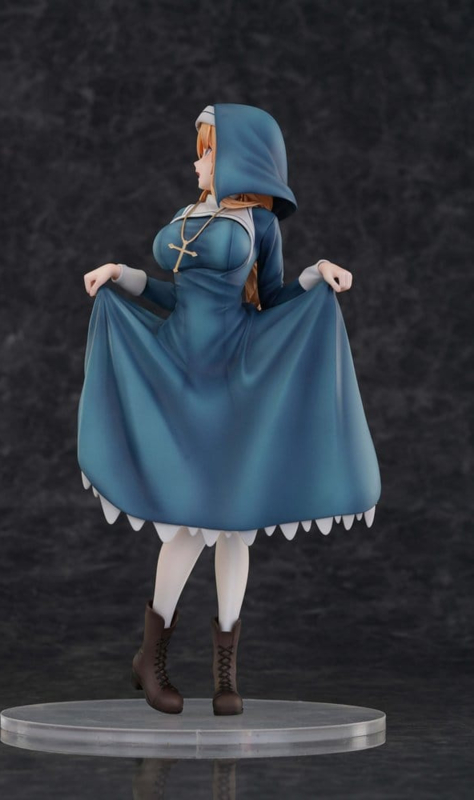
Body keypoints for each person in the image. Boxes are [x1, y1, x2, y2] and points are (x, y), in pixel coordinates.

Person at [78, 103, 381, 717]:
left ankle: (225, 672)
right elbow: (173, 295)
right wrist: (121, 274)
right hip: (175, 369)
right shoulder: (185, 216)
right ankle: (151, 657)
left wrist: (317, 274)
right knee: (186, 522)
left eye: (209, 151)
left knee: (233, 522)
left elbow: (269, 297)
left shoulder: (258, 225)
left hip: (232, 378)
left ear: (238, 157)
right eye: (201, 151)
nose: (198, 162)